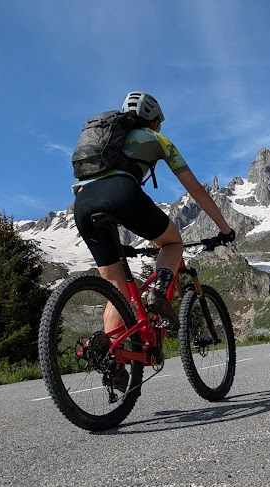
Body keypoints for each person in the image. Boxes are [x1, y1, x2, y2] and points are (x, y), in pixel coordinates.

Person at [72, 91, 235, 391]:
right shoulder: (157, 140)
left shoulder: (105, 139)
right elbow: (197, 190)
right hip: (121, 193)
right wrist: (225, 229)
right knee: (172, 244)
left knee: (116, 291)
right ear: (154, 120)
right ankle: (159, 292)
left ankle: (114, 361)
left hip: (82, 204)